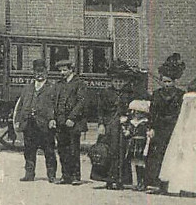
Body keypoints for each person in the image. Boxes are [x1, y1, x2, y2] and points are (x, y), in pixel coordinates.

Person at [158, 91, 196, 197]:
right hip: (186, 144)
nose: (189, 105)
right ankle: (184, 187)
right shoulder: (184, 117)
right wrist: (180, 143)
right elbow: (180, 131)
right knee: (185, 165)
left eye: (192, 102)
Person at [93, 61, 140, 189]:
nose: (118, 84)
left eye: (120, 82)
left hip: (122, 126)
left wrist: (128, 120)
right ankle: (108, 179)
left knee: (122, 153)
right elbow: (100, 110)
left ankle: (120, 180)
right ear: (111, 81)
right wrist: (101, 124)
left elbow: (133, 110)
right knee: (108, 152)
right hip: (108, 126)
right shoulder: (105, 93)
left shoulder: (129, 94)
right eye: (115, 81)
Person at [13, 59, 58, 182]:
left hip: (45, 125)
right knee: (29, 150)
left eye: (41, 71)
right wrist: (18, 120)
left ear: (46, 72)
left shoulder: (52, 88)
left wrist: (53, 119)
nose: (39, 74)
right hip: (29, 124)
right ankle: (29, 173)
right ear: (33, 73)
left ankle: (52, 175)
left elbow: (55, 106)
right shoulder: (27, 88)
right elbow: (20, 105)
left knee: (49, 150)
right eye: (37, 72)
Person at [147, 53, 186, 193]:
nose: (167, 84)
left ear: (174, 82)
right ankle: (155, 183)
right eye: (164, 81)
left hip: (174, 128)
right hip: (159, 128)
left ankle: (171, 184)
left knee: (172, 155)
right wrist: (151, 127)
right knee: (156, 155)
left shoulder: (181, 95)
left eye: (169, 82)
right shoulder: (157, 94)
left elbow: (182, 113)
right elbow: (152, 112)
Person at [53, 59, 87, 185]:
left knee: (73, 149)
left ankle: (75, 176)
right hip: (60, 122)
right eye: (60, 70)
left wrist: (72, 118)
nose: (62, 72)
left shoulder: (79, 83)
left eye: (64, 70)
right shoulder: (58, 84)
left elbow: (81, 103)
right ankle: (65, 175)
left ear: (71, 69)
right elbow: (54, 102)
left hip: (73, 123)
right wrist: (54, 118)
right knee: (62, 149)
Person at [122, 99, 151, 191]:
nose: (137, 114)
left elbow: (148, 134)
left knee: (141, 163)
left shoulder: (145, 123)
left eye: (139, 113)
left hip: (141, 144)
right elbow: (128, 133)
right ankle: (135, 182)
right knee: (133, 162)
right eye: (135, 112)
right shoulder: (131, 123)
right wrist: (126, 132)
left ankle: (142, 182)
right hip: (133, 144)